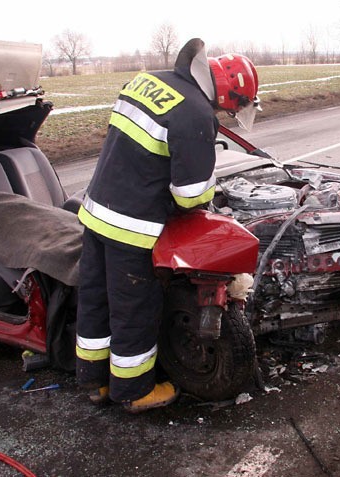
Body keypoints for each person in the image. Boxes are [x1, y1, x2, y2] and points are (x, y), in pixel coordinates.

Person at [74, 38, 260, 413]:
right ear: (229, 91)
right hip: (132, 226)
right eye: (236, 104)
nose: (231, 111)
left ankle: (95, 381)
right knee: (135, 308)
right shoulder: (194, 113)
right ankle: (134, 391)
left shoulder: (150, 81)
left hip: (96, 211)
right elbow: (190, 195)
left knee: (96, 299)